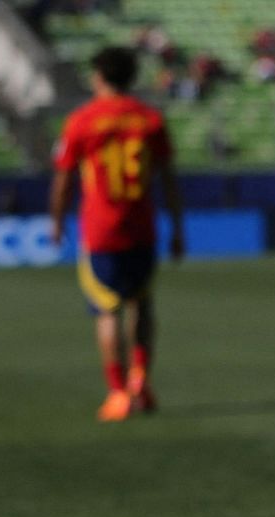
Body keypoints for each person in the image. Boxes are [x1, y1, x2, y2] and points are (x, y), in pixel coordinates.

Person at [50, 45, 184, 422]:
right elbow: (169, 179)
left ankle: (118, 392)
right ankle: (141, 378)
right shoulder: (150, 120)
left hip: (101, 230)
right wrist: (177, 227)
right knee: (141, 304)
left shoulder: (82, 121)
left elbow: (63, 180)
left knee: (107, 311)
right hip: (142, 227)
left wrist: (57, 221)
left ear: (99, 77)